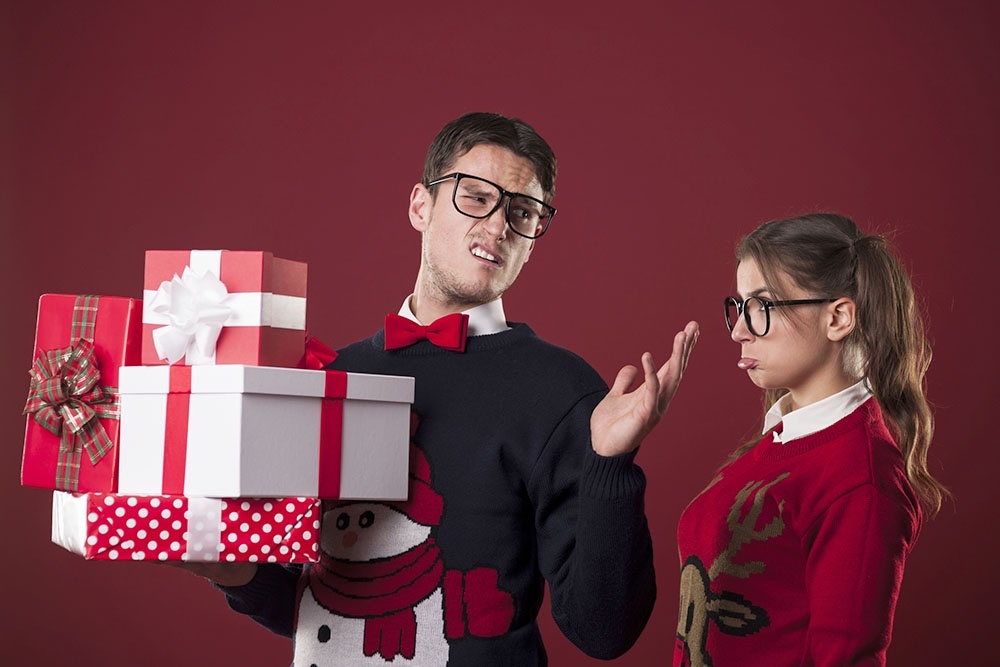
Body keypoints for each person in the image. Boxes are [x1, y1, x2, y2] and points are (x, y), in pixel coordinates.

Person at [183, 111, 699, 666]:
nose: (499, 225)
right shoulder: (330, 378)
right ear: (419, 207)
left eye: (523, 212)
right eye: (476, 197)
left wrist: (610, 463)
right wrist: (226, 568)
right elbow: (317, 603)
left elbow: (603, 631)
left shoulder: (563, 391)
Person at [673, 213, 947, 667]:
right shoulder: (780, 443)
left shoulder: (861, 481)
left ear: (838, 317)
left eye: (761, 307)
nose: (739, 330)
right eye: (738, 307)